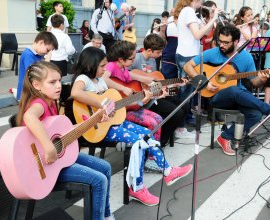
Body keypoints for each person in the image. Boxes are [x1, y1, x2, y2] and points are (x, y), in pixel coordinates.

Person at [70, 46, 192, 206]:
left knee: (147, 133)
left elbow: (118, 104)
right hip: (100, 129)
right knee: (139, 141)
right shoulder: (84, 79)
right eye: (101, 66)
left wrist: (143, 99)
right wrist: (102, 104)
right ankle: (137, 187)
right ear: (89, 65)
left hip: (113, 123)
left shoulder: (100, 81)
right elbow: (76, 93)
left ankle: (167, 171)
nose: (105, 69)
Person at [16, 61, 114, 220]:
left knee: (105, 167)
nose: (58, 85)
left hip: (57, 161)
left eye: (60, 80)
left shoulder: (51, 102)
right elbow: (29, 116)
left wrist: (94, 120)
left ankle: (105, 214)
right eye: (52, 82)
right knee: (99, 180)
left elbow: (62, 132)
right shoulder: (39, 103)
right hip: (44, 167)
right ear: (37, 85)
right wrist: (48, 147)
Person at [183, 24, 270, 156]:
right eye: (220, 41)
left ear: (236, 42)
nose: (221, 45)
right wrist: (204, 82)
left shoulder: (246, 57)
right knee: (234, 90)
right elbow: (187, 66)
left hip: (240, 96)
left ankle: (225, 137)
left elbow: (254, 82)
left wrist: (262, 80)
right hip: (217, 97)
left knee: (255, 114)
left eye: (226, 42)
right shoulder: (211, 53)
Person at [129, 34, 193, 143]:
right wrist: (143, 80)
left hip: (155, 94)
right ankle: (160, 141)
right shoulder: (136, 59)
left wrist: (173, 84)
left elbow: (155, 82)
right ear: (149, 50)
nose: (161, 54)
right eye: (158, 52)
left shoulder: (153, 61)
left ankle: (178, 130)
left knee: (184, 103)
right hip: (142, 99)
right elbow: (125, 74)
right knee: (176, 112)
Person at [174, 0, 221, 125]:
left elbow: (205, 32)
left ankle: (185, 119)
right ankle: (179, 125)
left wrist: (211, 17)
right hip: (186, 55)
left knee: (189, 91)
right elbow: (197, 35)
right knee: (185, 92)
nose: (202, 2)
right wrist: (215, 17)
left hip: (189, 55)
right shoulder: (188, 11)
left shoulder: (192, 13)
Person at [16, 31, 58, 101]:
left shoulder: (38, 54)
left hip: (33, 90)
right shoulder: (28, 54)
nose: (47, 53)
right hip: (27, 92)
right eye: (47, 50)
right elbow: (35, 73)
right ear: (41, 42)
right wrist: (47, 61)